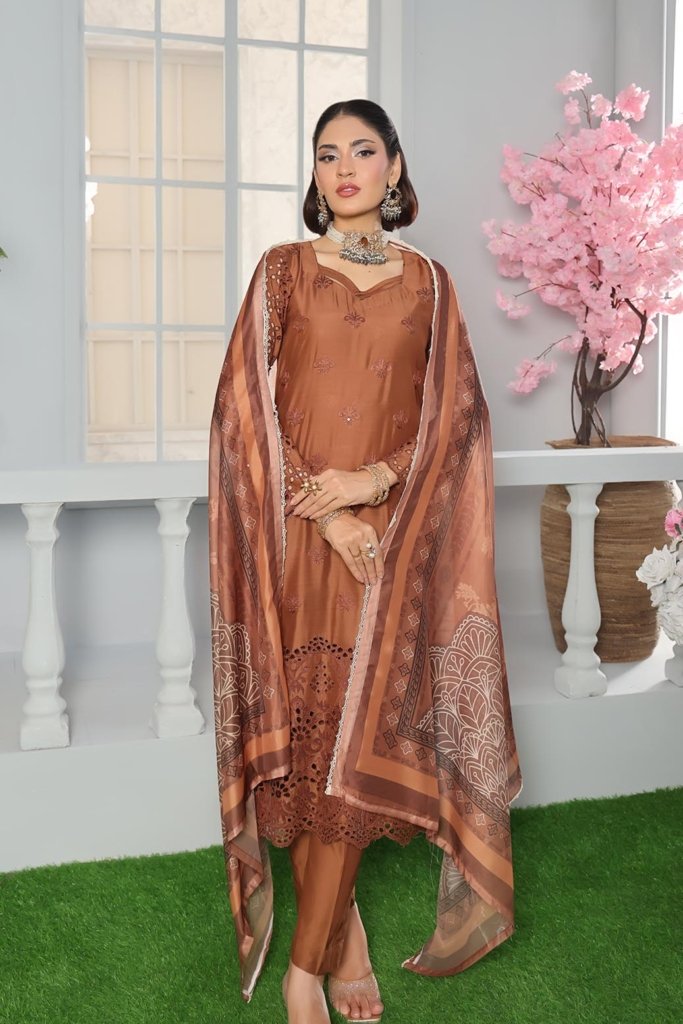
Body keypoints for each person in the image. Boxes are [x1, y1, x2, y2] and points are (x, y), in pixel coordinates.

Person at [208, 98, 523, 1024]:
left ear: (393, 167)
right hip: (297, 540)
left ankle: (306, 967)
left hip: (393, 543)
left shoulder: (430, 283)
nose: (343, 168)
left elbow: (456, 420)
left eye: (361, 150)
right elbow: (243, 413)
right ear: (315, 176)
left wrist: (373, 482)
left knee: (351, 753)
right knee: (311, 753)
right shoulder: (281, 271)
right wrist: (327, 509)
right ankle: (337, 944)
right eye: (325, 155)